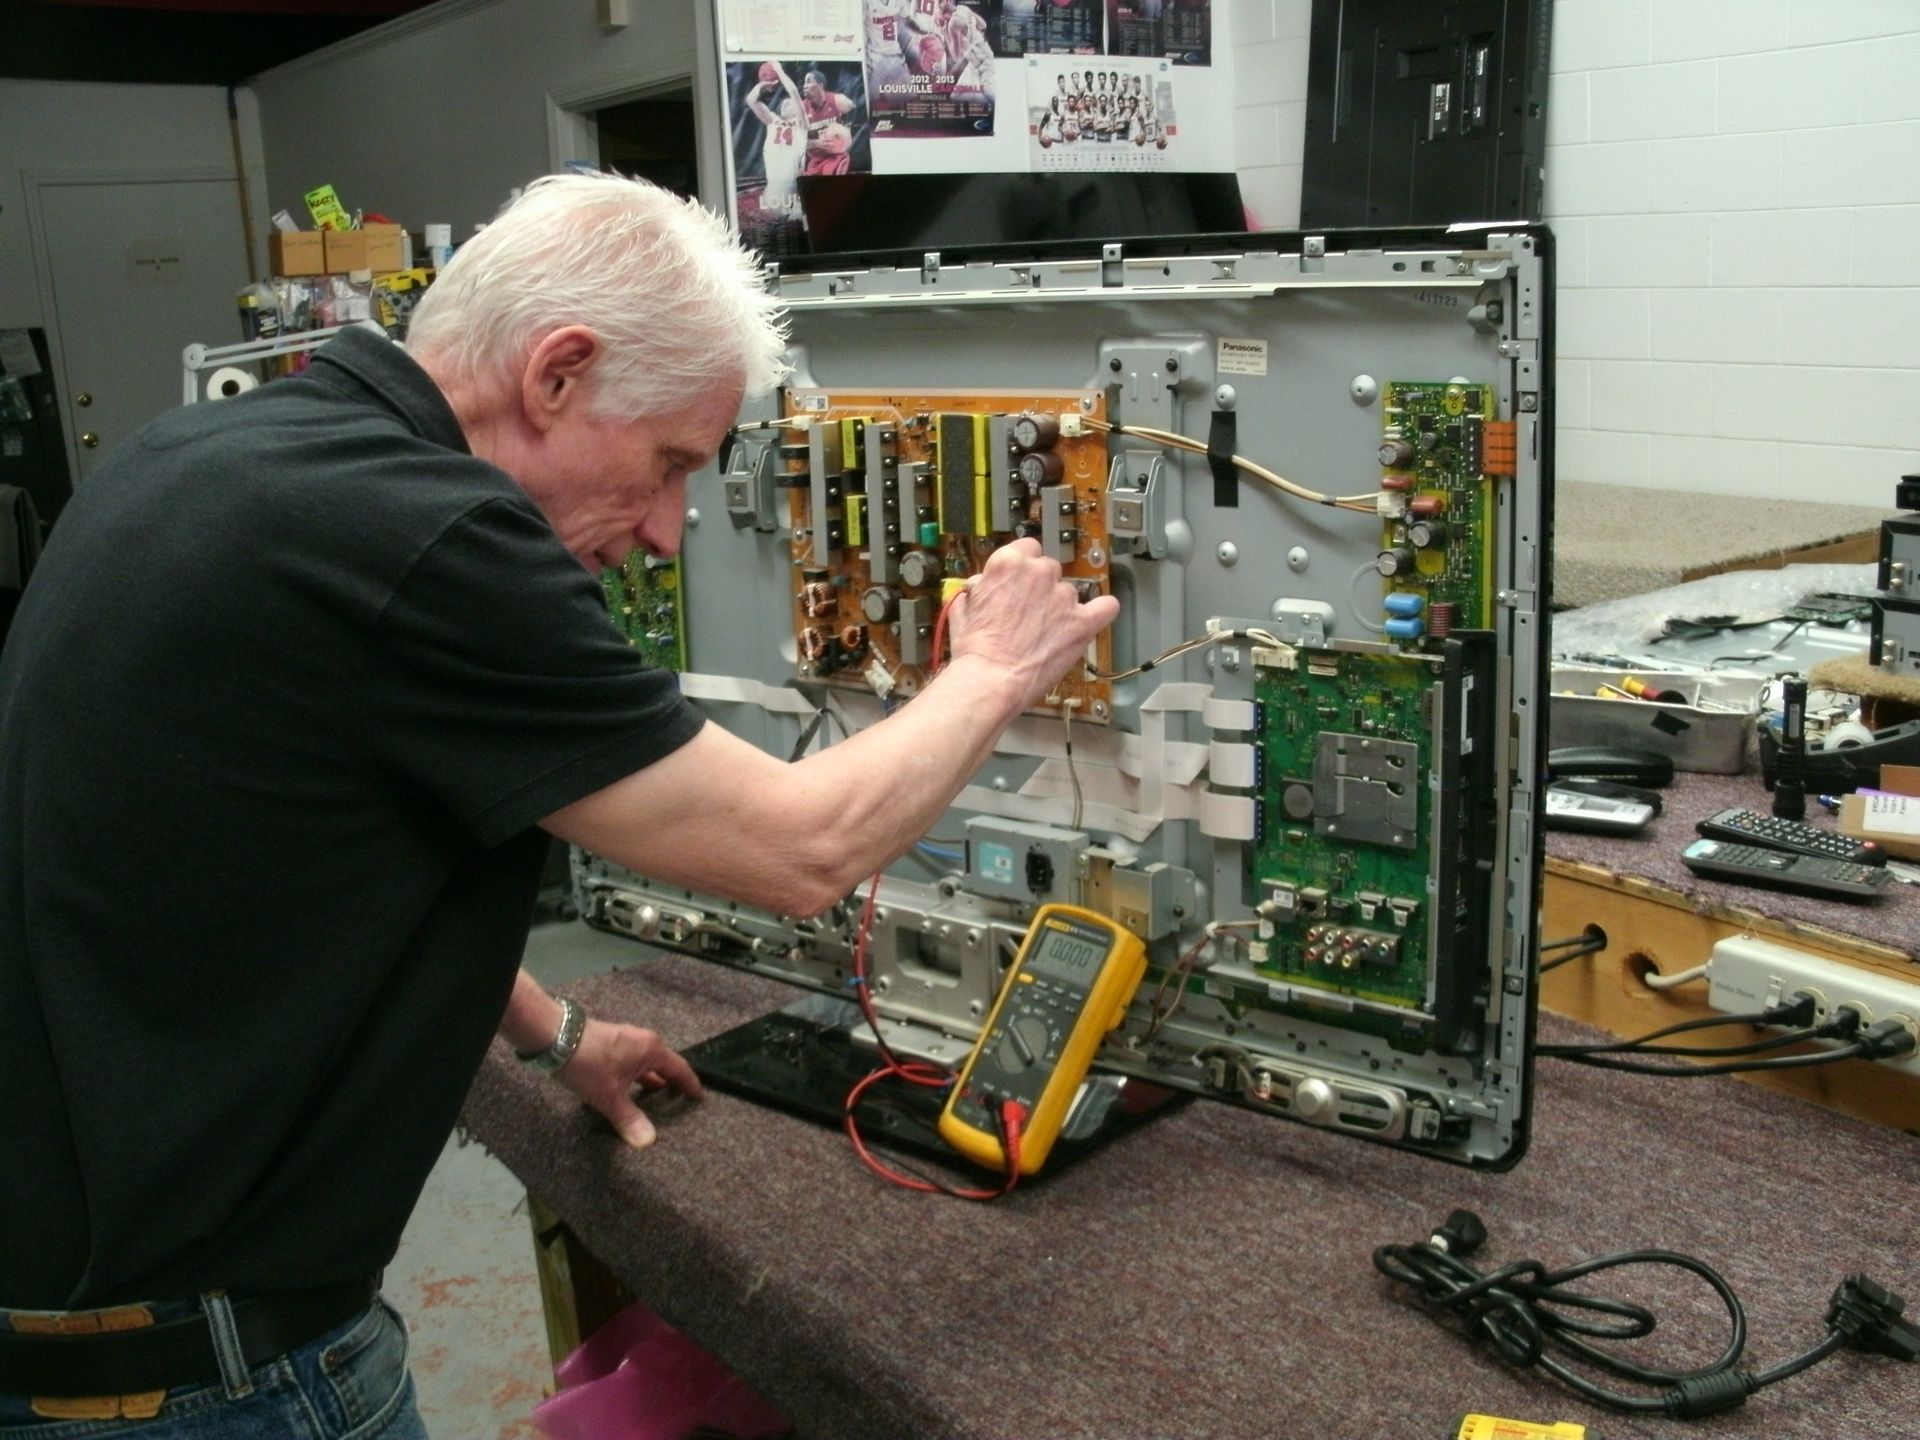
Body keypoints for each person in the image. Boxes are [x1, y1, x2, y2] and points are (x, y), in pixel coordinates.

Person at [0, 173, 1115, 1435]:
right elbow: (806, 848)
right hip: (210, 1367)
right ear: (557, 376)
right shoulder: (425, 535)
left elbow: (317, 853)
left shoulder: (217, 454)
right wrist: (1000, 669)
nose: (662, 531)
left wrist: (556, 1033)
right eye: (667, 464)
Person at [744, 62, 805, 217]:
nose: (784, 104)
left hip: (793, 190)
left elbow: (793, 93)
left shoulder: (802, 125)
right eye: (783, 103)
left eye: (788, 103)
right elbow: (751, 100)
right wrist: (764, 84)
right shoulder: (773, 121)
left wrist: (778, 70)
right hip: (772, 189)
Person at [797, 69, 859, 176]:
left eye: (808, 81)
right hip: (815, 160)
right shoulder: (802, 109)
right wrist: (818, 143)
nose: (804, 86)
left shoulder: (837, 101)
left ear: (820, 86)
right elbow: (798, 143)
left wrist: (848, 128)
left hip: (836, 156)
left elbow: (854, 108)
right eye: (804, 82)